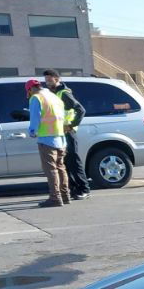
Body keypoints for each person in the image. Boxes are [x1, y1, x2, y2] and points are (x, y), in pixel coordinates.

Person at [42, 69, 89, 199]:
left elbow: (80, 110)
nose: (47, 82)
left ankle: (84, 189)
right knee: (64, 163)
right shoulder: (53, 94)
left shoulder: (64, 93)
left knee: (74, 161)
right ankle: (73, 189)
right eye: (46, 80)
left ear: (57, 79)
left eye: (49, 79)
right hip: (59, 132)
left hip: (68, 132)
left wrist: (71, 125)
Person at [26, 79, 69, 207]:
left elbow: (35, 117)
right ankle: (65, 195)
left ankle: (55, 198)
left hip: (46, 138)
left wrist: (32, 131)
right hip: (61, 137)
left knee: (51, 170)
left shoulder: (36, 98)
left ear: (30, 89)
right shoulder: (54, 97)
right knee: (61, 167)